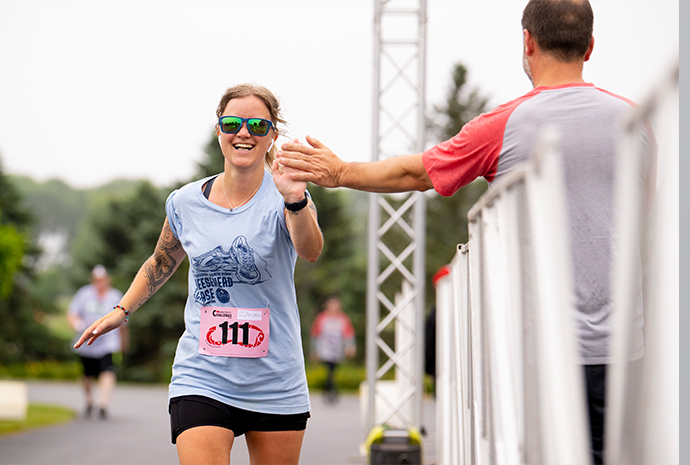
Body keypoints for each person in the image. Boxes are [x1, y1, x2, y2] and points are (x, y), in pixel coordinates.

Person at [276, 1, 655, 463]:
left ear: (528, 41)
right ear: (590, 46)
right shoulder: (637, 122)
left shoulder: (506, 125)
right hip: (625, 342)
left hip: (537, 345)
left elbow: (412, 174)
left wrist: (339, 172)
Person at [75, 83, 324, 465]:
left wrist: (295, 199)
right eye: (232, 123)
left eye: (258, 125)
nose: (244, 132)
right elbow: (160, 261)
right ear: (218, 130)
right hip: (203, 374)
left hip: (275, 379)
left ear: (273, 134)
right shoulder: (185, 202)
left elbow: (311, 251)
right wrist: (121, 310)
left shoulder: (287, 196)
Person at [67, 264, 127, 420]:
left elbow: (122, 319)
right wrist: (76, 324)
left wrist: (123, 341)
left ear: (108, 280)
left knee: (107, 370)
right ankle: (89, 401)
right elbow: (72, 313)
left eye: (103, 280)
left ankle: (103, 403)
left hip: (107, 342)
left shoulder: (115, 296)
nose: (100, 283)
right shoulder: (84, 294)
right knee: (87, 374)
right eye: (97, 280)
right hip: (87, 341)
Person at [310, 296, 356, 403]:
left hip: (337, 349)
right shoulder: (321, 318)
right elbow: (315, 335)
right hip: (324, 348)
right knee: (329, 368)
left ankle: (329, 388)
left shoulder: (343, 318)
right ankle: (331, 389)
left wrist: (350, 346)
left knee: (332, 369)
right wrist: (314, 350)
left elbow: (348, 333)